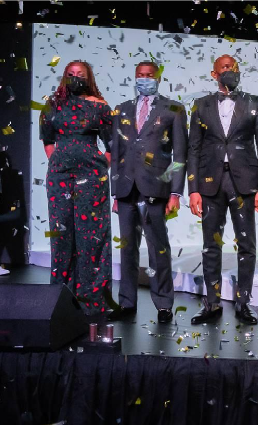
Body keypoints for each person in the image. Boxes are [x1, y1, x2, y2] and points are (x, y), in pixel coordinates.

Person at [187, 55, 258, 325]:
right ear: (214, 74)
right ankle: (212, 303)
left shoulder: (254, 103)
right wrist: (193, 189)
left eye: (234, 67)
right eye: (225, 68)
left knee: (247, 245)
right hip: (209, 182)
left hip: (244, 182)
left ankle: (243, 302)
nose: (230, 71)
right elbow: (193, 148)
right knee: (211, 245)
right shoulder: (201, 105)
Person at [107, 61, 188, 324]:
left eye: (149, 75)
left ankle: (163, 304)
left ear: (158, 78)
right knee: (127, 249)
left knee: (158, 249)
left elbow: (179, 155)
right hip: (126, 189)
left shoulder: (174, 109)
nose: (144, 79)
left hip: (156, 188)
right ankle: (127, 302)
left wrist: (174, 193)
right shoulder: (122, 109)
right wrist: (115, 192)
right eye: (140, 75)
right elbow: (116, 152)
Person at [39, 60, 112, 317]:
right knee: (62, 235)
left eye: (80, 74)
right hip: (59, 177)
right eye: (70, 74)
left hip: (92, 177)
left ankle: (92, 300)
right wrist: (60, 162)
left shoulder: (100, 107)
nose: (75, 77)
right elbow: (48, 140)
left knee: (91, 236)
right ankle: (61, 298)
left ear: (88, 77)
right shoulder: (52, 105)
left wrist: (98, 166)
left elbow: (112, 145)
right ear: (64, 76)